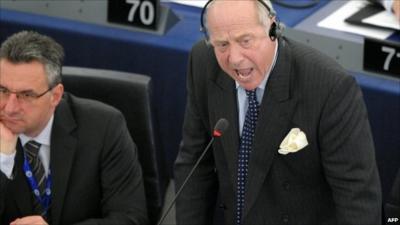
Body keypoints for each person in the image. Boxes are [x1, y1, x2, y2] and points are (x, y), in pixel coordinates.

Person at [174, 0, 382, 225]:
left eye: (245, 41)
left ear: (273, 28)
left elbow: (357, 198)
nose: (234, 58)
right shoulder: (203, 62)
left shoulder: (329, 88)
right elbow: (194, 164)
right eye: (222, 44)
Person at [0, 31, 148, 225]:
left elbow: (131, 218)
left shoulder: (105, 127)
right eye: (2, 90)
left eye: (26, 95)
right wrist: (4, 159)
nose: (9, 108)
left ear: (55, 96)